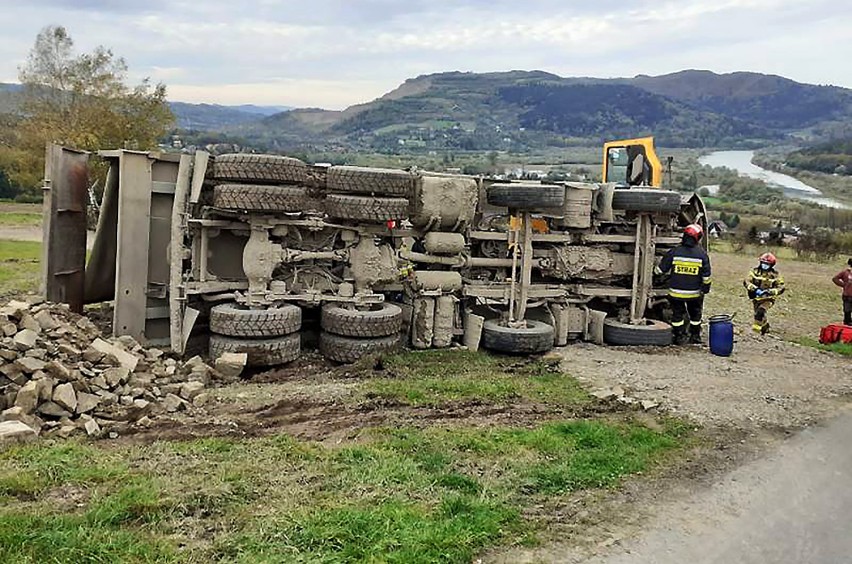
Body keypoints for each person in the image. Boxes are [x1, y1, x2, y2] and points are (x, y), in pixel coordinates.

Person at [656, 224, 711, 345]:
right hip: (694, 294)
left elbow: (660, 270)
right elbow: (706, 276)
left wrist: (655, 274)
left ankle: (679, 337)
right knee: (695, 316)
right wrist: (705, 289)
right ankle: (695, 337)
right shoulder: (702, 255)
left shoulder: (674, 252)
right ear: (698, 238)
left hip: (675, 293)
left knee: (677, 316)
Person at [743, 252, 785, 334]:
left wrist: (770, 291)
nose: (764, 265)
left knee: (760, 312)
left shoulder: (775, 275)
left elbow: (781, 287)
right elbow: (747, 281)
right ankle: (765, 327)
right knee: (760, 314)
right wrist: (755, 289)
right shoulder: (755, 272)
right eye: (763, 263)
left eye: (767, 264)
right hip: (756, 297)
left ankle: (755, 332)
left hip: (768, 299)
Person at [832, 258, 852, 325]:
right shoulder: (846, 272)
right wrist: (844, 285)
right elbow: (835, 279)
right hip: (847, 296)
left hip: (847, 295)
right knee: (847, 312)